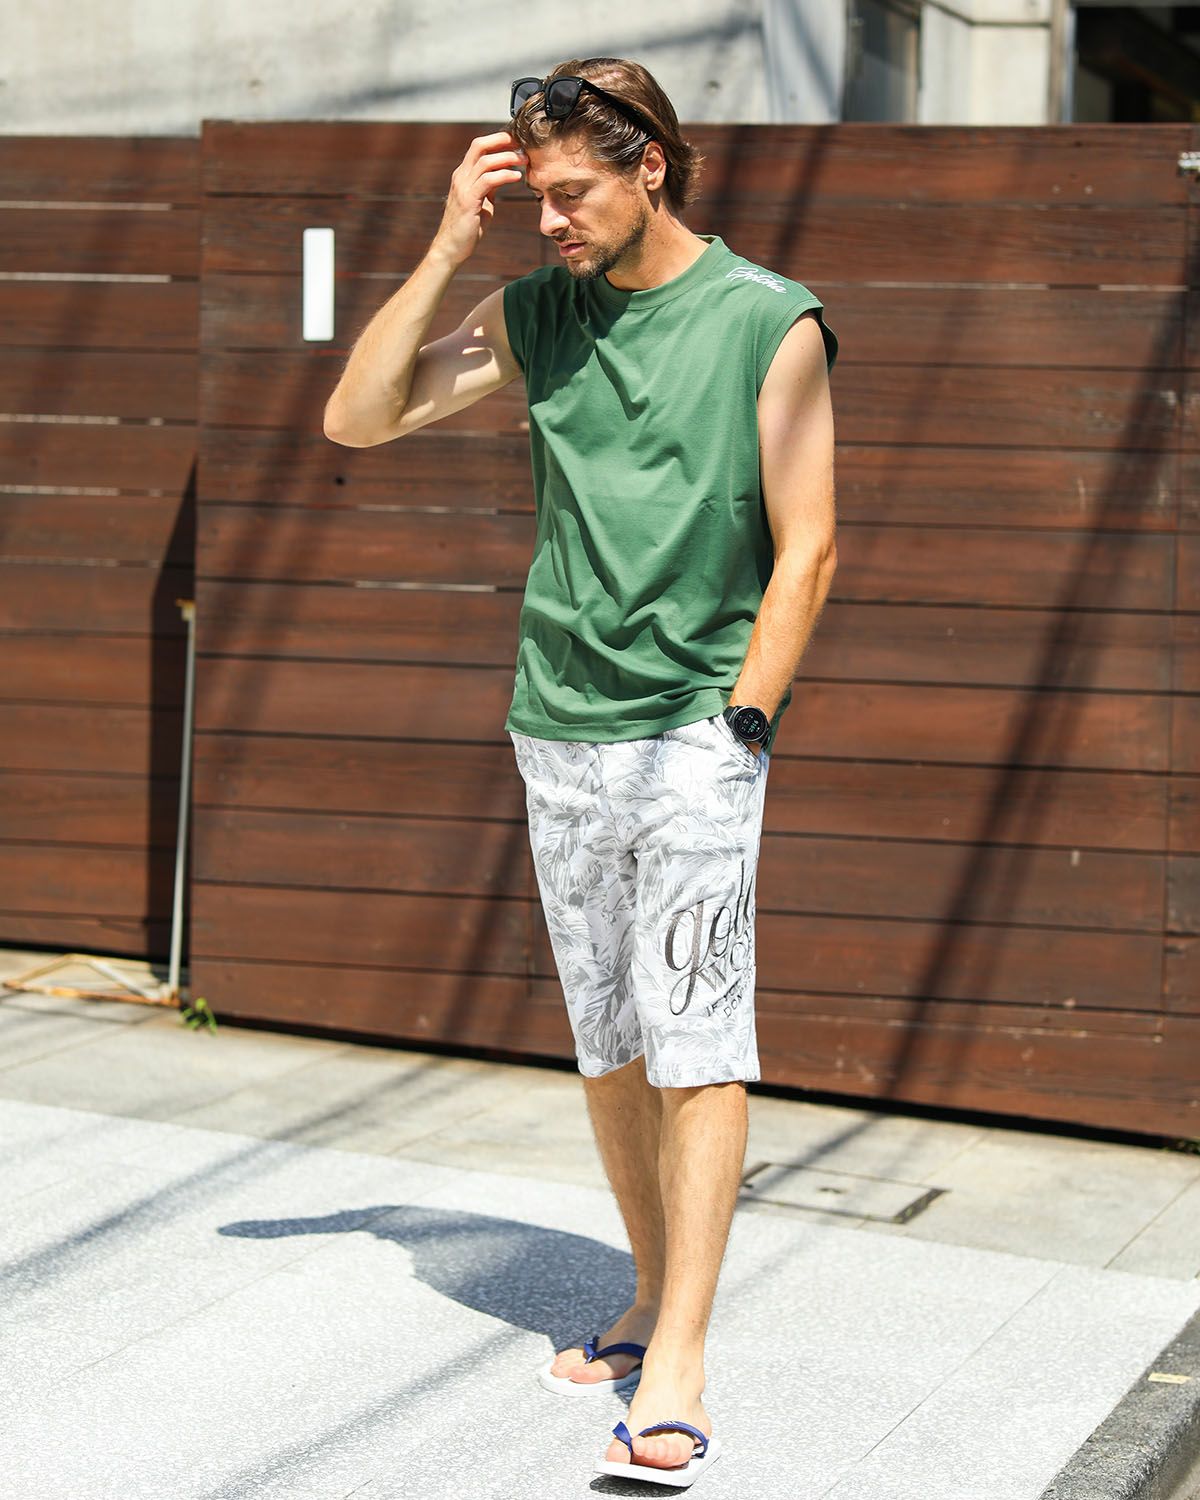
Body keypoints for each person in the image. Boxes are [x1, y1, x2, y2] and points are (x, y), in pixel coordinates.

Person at [324, 56, 838, 1488]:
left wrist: (743, 723)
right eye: (533, 196)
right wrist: (447, 242)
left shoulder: (768, 319)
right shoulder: (537, 315)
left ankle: (680, 1358)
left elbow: (808, 543)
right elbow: (357, 417)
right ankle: (647, 1291)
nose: (548, 220)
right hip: (558, 725)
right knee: (609, 1035)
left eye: (570, 193)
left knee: (697, 1038)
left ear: (649, 166)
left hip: (695, 730)